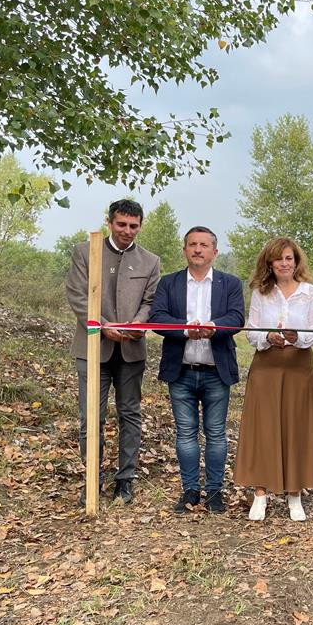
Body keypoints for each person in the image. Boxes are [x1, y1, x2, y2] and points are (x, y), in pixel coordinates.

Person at [65, 199, 161, 505]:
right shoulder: (85, 252)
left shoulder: (150, 261)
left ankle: (125, 480)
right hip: (93, 348)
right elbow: (77, 295)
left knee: (130, 415)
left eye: (133, 226)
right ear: (109, 222)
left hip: (131, 351)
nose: (127, 231)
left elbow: (150, 301)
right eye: (121, 224)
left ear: (140, 226)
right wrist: (103, 325)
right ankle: (93, 479)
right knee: (91, 417)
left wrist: (139, 323)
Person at [149, 227, 245, 515]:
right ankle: (190, 490)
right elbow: (158, 318)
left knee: (216, 433)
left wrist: (214, 328)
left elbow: (236, 317)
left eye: (204, 245)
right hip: (181, 370)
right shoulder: (169, 283)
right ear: (185, 250)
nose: (198, 249)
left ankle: (214, 492)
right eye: (192, 244)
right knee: (185, 433)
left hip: (216, 370)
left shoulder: (230, 283)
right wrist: (185, 330)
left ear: (214, 252)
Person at [233, 237, 313, 521]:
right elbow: (251, 332)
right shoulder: (261, 293)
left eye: (289, 258)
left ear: (296, 261)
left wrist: (298, 337)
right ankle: (260, 494)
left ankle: (294, 493)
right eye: (279, 259)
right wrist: (268, 336)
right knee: (264, 428)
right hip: (267, 366)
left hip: (299, 367)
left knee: (296, 427)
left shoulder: (310, 292)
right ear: (269, 263)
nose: (284, 264)